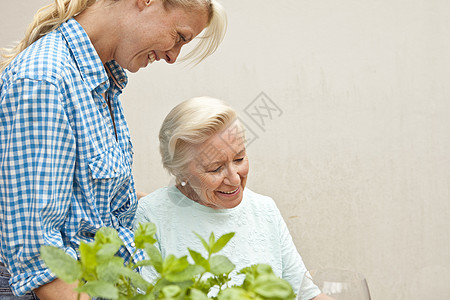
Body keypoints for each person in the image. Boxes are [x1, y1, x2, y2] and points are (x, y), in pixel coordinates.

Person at [0, 0, 226, 299]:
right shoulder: (45, 81)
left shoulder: (101, 80)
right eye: (180, 37)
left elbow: (92, 205)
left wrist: (184, 201)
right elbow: (42, 261)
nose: (173, 56)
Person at [134, 97, 333, 300]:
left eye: (239, 159)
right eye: (215, 168)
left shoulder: (265, 210)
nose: (234, 178)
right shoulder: (151, 216)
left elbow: (307, 294)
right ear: (180, 172)